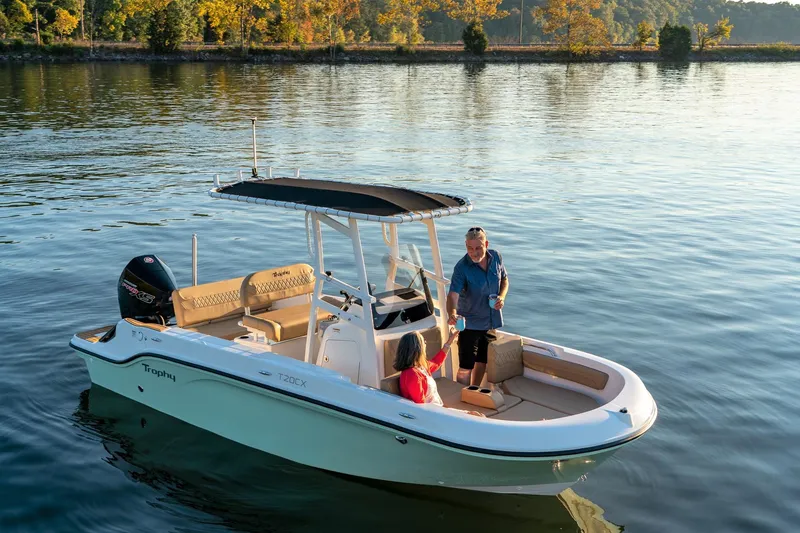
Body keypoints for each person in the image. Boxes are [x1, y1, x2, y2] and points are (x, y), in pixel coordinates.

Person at [447, 226, 509, 386]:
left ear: (486, 244)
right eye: (470, 248)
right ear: (466, 246)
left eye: (478, 248)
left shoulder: (496, 257)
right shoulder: (461, 268)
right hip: (470, 324)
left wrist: (502, 297)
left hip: (490, 321)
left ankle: (473, 390)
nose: (474, 252)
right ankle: (460, 394)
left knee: (483, 360)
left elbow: (504, 279)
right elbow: (452, 295)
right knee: (465, 366)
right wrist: (452, 313)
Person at [394, 329, 458, 406]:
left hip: (437, 409)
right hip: (432, 413)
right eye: (423, 341)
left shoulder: (421, 366)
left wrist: (449, 341)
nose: (425, 343)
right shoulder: (412, 374)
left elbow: (436, 362)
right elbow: (421, 406)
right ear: (417, 348)